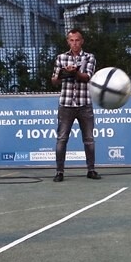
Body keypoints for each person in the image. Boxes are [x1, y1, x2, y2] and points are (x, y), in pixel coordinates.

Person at [50, 28, 99, 182]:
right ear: (68, 41)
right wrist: (62, 74)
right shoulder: (61, 58)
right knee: (62, 138)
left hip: (84, 103)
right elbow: (54, 81)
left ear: (82, 41)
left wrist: (74, 72)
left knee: (89, 139)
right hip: (66, 103)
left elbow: (87, 77)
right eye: (71, 40)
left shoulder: (89, 57)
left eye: (77, 40)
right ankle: (59, 172)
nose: (75, 43)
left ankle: (91, 170)